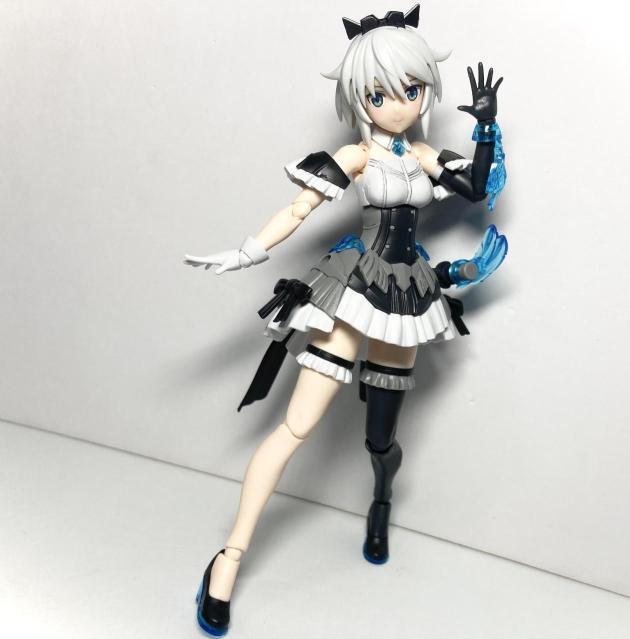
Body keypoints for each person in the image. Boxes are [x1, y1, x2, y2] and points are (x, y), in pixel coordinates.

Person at [184, 5, 506, 636]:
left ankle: (381, 500)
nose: (398, 104)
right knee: (295, 426)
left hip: (407, 294)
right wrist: (246, 252)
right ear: (360, 96)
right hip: (357, 287)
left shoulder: (423, 154)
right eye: (380, 93)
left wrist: (488, 127)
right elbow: (298, 209)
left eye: (411, 89)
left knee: (380, 437)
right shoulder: (356, 155)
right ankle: (229, 559)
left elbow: (476, 186)